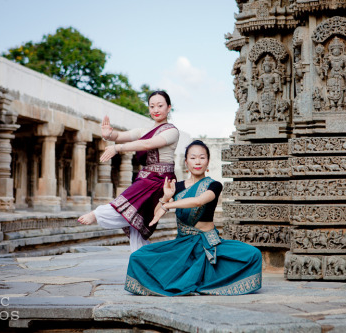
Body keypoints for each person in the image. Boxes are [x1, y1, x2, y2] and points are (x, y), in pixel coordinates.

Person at [124, 140, 262, 296]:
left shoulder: (214, 185)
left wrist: (168, 205)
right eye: (193, 157)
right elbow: (157, 212)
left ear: (208, 161)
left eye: (202, 157)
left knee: (253, 254)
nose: (198, 162)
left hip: (210, 243)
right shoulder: (177, 187)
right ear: (186, 162)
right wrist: (166, 198)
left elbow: (199, 201)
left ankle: (209, 283)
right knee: (138, 257)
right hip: (183, 245)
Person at [78, 91, 179, 252]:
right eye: (152, 106)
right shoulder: (143, 130)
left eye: (160, 106)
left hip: (159, 181)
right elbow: (121, 135)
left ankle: (97, 215)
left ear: (169, 108)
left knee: (124, 204)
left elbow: (147, 145)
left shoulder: (172, 131)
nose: (156, 109)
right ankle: (142, 262)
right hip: (146, 178)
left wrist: (118, 148)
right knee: (136, 225)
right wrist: (109, 135)